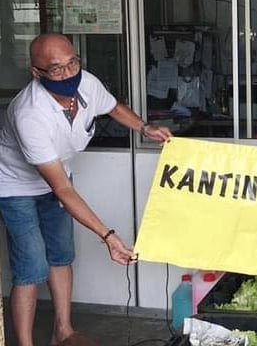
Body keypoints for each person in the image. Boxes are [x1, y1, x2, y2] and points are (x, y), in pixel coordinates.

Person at [0, 34, 172, 346]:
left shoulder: (86, 82)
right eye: (56, 69)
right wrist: (108, 236)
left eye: (72, 63)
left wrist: (145, 128)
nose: (68, 73)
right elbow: (62, 189)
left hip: (57, 177)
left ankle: (62, 331)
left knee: (61, 255)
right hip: (15, 186)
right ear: (36, 72)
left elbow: (113, 107)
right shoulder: (29, 113)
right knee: (31, 267)